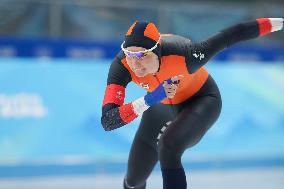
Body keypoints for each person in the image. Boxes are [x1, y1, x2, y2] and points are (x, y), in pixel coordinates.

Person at [101, 18, 284, 189]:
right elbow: (108, 121)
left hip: (201, 100)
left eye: (142, 55)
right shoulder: (121, 66)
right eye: (130, 54)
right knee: (134, 180)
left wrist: (280, 23)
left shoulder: (185, 54)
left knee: (168, 146)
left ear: (157, 51)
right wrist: (150, 99)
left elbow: (232, 34)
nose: (135, 63)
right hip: (159, 103)